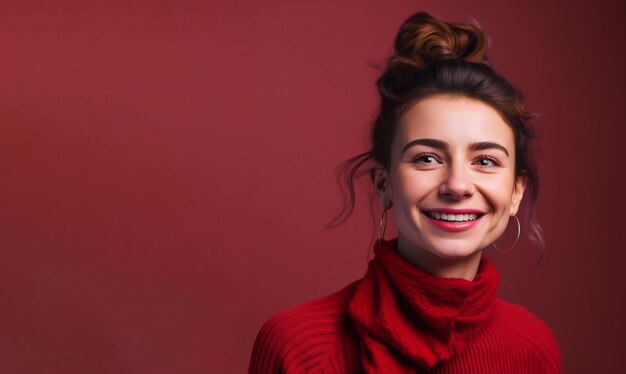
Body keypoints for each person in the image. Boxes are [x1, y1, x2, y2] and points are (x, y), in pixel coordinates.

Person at [248, 11, 561, 373]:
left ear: (516, 192)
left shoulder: (532, 349)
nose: (457, 185)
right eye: (427, 158)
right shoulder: (298, 346)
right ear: (384, 184)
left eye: (486, 161)